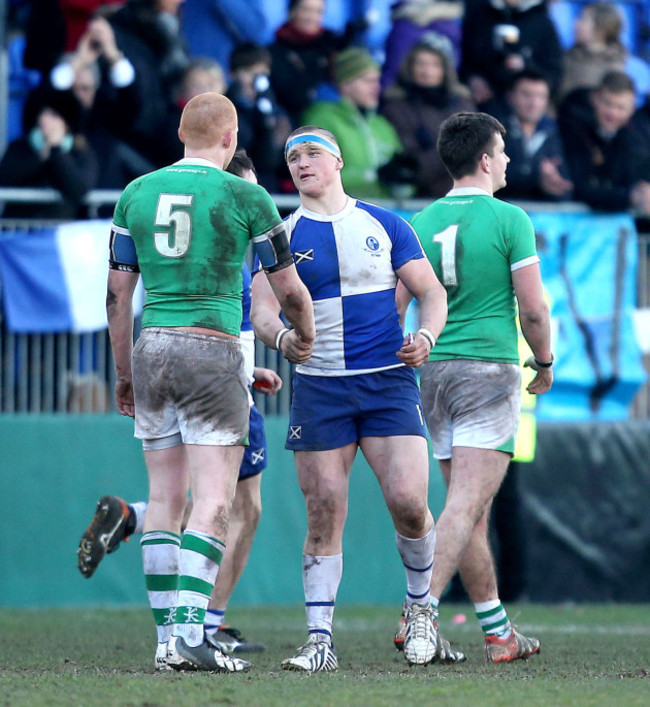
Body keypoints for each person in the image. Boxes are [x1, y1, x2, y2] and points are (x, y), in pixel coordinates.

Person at [105, 93, 315, 673]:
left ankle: (166, 641)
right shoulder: (247, 194)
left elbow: (118, 297)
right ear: (231, 139)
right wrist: (305, 334)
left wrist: (125, 372)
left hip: (154, 348)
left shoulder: (135, 193)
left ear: (179, 132)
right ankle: (193, 635)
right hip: (215, 347)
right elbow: (291, 291)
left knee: (167, 501)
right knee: (216, 501)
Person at [251, 126, 462, 672]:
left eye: (312, 153)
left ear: (339, 160)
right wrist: (280, 340)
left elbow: (431, 292)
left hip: (388, 383)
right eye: (293, 157)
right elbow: (262, 311)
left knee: (410, 503)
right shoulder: (280, 234)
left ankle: (421, 614)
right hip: (321, 388)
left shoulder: (386, 223)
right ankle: (319, 641)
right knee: (322, 511)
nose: (301, 163)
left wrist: (427, 337)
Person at [77, 150, 277, 656]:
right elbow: (222, 323)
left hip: (170, 360)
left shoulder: (160, 212)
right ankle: (203, 624)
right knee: (231, 504)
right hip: (219, 375)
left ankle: (171, 630)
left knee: (179, 496)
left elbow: (122, 295)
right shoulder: (230, 233)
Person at [402, 111, 553, 663]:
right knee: (466, 506)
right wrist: (545, 359)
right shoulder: (509, 219)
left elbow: (399, 303)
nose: (510, 160)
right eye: (504, 151)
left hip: (435, 371)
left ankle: (497, 632)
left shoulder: (420, 220)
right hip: (489, 368)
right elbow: (533, 308)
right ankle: (418, 613)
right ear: (486, 160)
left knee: (469, 513)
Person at [302, 47, 405, 200]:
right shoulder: (323, 119)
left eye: (377, 80)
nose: (376, 87)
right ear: (345, 85)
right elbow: (316, 174)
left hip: (381, 216)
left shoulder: (382, 125)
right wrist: (373, 176)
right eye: (367, 80)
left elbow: (402, 182)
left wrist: (404, 181)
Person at [381, 33, 475, 199]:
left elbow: (475, 152)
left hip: (464, 194)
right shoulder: (396, 106)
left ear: (445, 69)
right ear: (410, 67)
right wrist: (454, 154)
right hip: (419, 197)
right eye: (421, 64)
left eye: (435, 65)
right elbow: (410, 163)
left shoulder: (462, 103)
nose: (427, 71)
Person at [559, 71, 650, 213]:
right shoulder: (573, 129)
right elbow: (578, 186)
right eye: (608, 104)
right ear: (594, 99)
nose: (612, 113)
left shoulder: (635, 139)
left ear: (632, 109)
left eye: (621, 107)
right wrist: (628, 197)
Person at [0, 87, 99, 219]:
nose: (44, 120)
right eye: (42, 113)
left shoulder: (80, 152)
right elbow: (6, 177)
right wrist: (41, 158)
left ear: (67, 123)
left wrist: (56, 152)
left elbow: (79, 188)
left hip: (60, 232)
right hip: (20, 232)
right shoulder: (20, 147)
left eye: (54, 115)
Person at [488, 68, 573, 201]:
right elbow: (489, 179)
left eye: (541, 96)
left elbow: (565, 189)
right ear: (510, 96)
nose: (534, 103)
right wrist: (537, 180)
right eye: (526, 95)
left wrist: (554, 186)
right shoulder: (493, 130)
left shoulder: (552, 132)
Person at [460, 0, 563, 108]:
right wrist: (472, 78)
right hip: (482, 102)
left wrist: (525, 66)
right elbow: (464, 59)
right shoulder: (479, 15)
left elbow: (554, 73)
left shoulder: (542, 22)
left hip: (526, 110)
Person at [226, 43, 292, 192]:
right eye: (249, 72)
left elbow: (274, 162)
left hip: (267, 189)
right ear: (233, 74)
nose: (256, 81)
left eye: (261, 75)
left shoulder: (276, 111)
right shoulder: (225, 109)